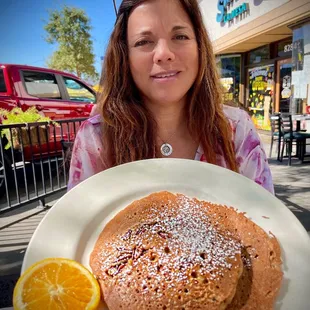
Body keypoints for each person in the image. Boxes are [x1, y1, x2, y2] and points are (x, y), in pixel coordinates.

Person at [68, 0, 274, 194]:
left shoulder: (236, 130)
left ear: (199, 46)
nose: (163, 53)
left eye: (180, 36)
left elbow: (267, 223)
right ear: (125, 57)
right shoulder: (96, 139)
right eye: (144, 41)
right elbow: (75, 228)